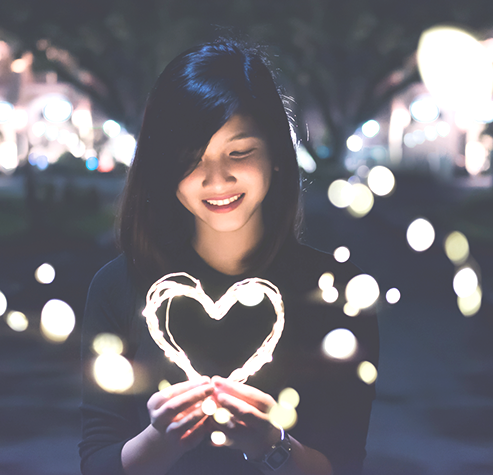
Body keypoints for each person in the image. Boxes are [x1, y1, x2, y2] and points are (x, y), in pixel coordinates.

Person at [79, 40, 379, 475]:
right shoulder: (117, 287)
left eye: (239, 153)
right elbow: (97, 462)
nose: (216, 179)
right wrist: (160, 442)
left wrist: (271, 445)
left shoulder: (337, 293)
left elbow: (345, 464)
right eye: (190, 159)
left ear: (276, 155)